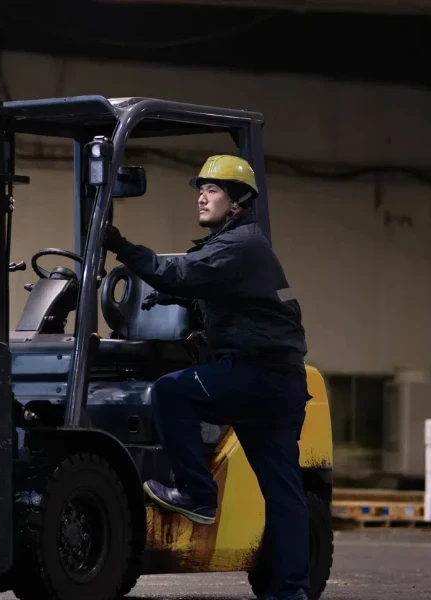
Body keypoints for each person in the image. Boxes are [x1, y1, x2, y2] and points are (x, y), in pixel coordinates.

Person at [103, 155, 311, 600]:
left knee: (172, 392)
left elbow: (184, 271)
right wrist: (169, 296)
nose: (202, 196)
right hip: (279, 382)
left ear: (237, 202)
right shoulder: (240, 245)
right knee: (284, 492)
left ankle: (197, 494)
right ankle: (290, 591)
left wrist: (121, 246)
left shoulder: (237, 246)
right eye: (201, 188)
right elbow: (210, 290)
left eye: (213, 190)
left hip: (256, 375)